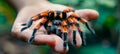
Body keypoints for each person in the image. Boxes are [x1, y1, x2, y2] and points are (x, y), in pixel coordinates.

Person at [9, 0, 99, 54]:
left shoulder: (66, 18)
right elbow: (40, 17)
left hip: (63, 18)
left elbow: (71, 12)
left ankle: (70, 41)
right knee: (42, 20)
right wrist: (29, 25)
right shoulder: (48, 16)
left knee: (75, 25)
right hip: (51, 18)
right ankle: (31, 30)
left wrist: (73, 11)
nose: (57, 23)